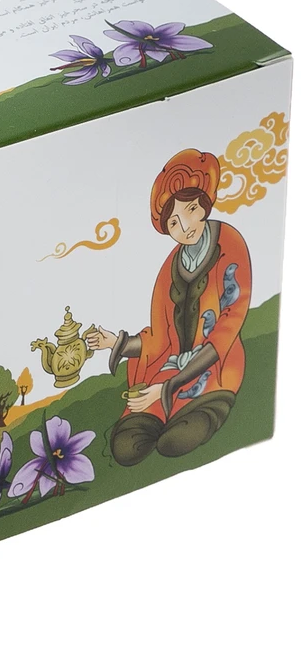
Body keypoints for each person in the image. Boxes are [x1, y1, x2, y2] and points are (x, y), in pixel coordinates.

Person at [86, 149, 251, 466]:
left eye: (191, 209)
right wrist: (117, 342)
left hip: (214, 366)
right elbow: (159, 338)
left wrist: (169, 386)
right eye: (174, 221)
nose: (186, 226)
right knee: (126, 446)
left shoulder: (228, 242)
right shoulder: (170, 268)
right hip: (169, 367)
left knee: (175, 442)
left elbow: (230, 321)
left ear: (205, 204)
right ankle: (160, 413)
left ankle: (200, 409)